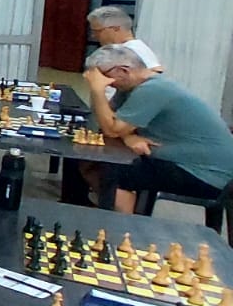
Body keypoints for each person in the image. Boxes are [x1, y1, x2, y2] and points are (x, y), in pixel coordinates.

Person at [84, 45, 233, 214]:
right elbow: (108, 121)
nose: (104, 83)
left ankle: (123, 224)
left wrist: (97, 90)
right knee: (96, 163)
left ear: (123, 71)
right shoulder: (129, 88)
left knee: (114, 172)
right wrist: (128, 137)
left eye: (103, 77)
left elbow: (112, 130)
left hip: (208, 174)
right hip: (182, 163)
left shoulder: (153, 89)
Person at [87, 6, 163, 72]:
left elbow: (156, 72)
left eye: (97, 31)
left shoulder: (135, 50)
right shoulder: (126, 49)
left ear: (115, 28)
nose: (93, 36)